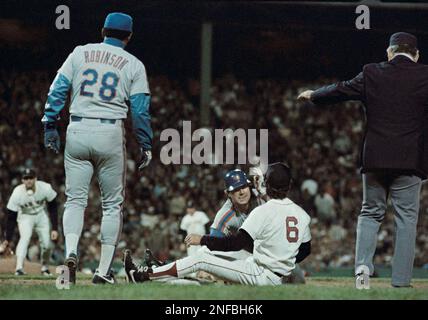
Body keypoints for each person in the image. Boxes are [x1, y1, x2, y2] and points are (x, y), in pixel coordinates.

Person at [297, 32, 428, 287]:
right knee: (406, 219)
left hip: (375, 157)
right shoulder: (425, 75)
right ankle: (401, 282)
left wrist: (315, 95)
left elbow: (341, 89)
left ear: (389, 52)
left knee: (370, 213)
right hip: (410, 159)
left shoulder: (371, 72)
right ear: (416, 55)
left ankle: (362, 275)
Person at [41, 12, 153, 284]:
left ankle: (69, 255)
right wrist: (145, 143)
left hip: (78, 128)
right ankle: (103, 271)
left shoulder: (80, 52)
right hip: (109, 131)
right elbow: (140, 111)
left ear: (102, 30)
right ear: (129, 36)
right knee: (112, 205)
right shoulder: (134, 64)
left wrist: (50, 124)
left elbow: (57, 90)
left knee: (75, 200)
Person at [123, 163, 311, 286]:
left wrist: (202, 239)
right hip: (270, 266)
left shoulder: (262, 209)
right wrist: (283, 259)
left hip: (262, 272)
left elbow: (235, 243)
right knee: (206, 262)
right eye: (235, 189)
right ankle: (161, 271)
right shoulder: (302, 214)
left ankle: (144, 275)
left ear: (263, 185)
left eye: (244, 187)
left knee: (201, 259)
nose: (242, 192)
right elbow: (305, 250)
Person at [0, 168, 58, 276]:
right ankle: (19, 268)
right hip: (25, 216)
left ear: (35, 178)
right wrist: (8, 238)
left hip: (41, 215)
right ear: (22, 180)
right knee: (24, 238)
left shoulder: (45, 187)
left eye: (31, 178)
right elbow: (11, 217)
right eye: (26, 178)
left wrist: (55, 228)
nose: (28, 181)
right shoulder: (17, 192)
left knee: (46, 244)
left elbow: (53, 207)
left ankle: (45, 267)